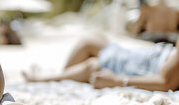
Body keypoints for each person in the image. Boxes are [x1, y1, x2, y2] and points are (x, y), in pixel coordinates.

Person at [22, 34, 179, 91]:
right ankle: (63, 76)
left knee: (92, 65)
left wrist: (118, 81)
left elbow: (165, 82)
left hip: (143, 66)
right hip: (148, 57)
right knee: (91, 41)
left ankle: (46, 78)